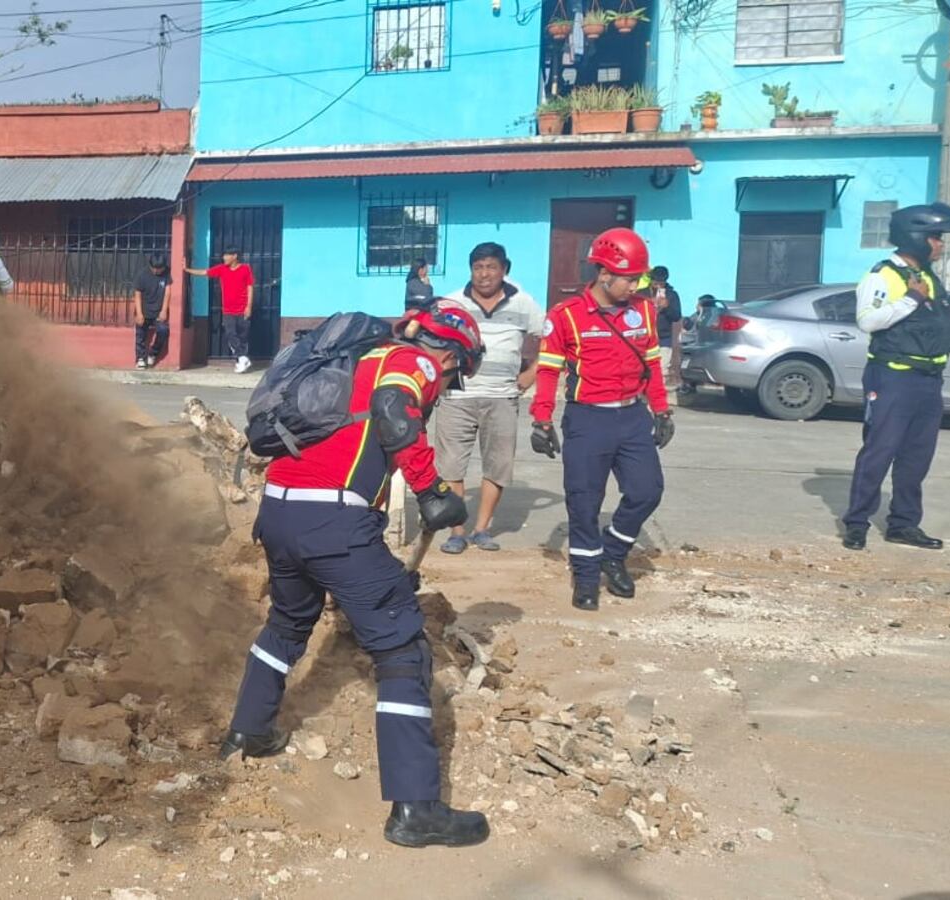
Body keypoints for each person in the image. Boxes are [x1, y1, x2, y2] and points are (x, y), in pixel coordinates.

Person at [221, 306, 490, 849]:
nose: (448, 383)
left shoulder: (360, 358)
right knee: (402, 650)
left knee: (288, 624)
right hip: (334, 520)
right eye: (457, 371)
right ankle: (416, 809)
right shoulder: (413, 360)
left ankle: (248, 731)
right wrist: (432, 490)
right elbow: (394, 408)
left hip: (278, 509)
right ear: (452, 354)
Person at [530, 228, 674, 611]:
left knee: (647, 491)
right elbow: (547, 371)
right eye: (630, 278)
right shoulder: (565, 317)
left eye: (638, 279)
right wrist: (540, 420)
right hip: (587, 421)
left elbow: (653, 365)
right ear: (604, 274)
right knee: (584, 502)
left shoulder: (643, 310)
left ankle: (613, 551)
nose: (635, 286)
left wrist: (661, 409)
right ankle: (587, 576)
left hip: (632, 417)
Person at [841, 202, 950, 552]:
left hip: (928, 380)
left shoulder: (928, 276)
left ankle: (904, 523)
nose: (941, 245)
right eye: (936, 238)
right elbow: (868, 320)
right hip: (892, 378)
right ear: (915, 237)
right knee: (880, 450)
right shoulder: (882, 275)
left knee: (917, 455)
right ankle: (856, 522)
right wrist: (912, 298)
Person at [434, 242, 541, 554]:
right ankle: (457, 531)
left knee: (497, 465)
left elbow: (549, 339)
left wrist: (531, 374)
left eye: (491, 267)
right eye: (478, 267)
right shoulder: (451, 303)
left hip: (503, 397)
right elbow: (432, 341)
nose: (484, 274)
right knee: (451, 467)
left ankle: (482, 529)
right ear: (471, 270)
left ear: (504, 269)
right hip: (457, 397)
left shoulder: (523, 303)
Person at [186, 248, 255, 373]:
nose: (224, 258)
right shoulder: (222, 269)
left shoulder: (245, 269)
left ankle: (241, 361)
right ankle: (243, 357)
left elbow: (250, 287)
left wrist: (249, 306)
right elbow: (204, 273)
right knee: (230, 333)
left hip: (242, 309)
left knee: (243, 336)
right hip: (228, 310)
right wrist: (187, 270)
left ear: (234, 256)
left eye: (226, 255)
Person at [132, 255, 171, 369]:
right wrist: (139, 313)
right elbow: (137, 295)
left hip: (158, 313)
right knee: (140, 333)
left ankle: (153, 353)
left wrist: (164, 310)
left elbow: (168, 292)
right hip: (144, 311)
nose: (157, 270)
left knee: (163, 331)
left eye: (159, 268)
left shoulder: (166, 274)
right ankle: (140, 358)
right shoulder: (142, 275)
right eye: (154, 268)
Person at [648, 266, 684, 387]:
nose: (658, 284)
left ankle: (656, 402)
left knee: (661, 371)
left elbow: (676, 316)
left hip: (663, 338)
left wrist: (667, 307)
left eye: (661, 282)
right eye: (655, 281)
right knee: (642, 371)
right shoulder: (642, 293)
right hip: (644, 338)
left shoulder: (672, 295)